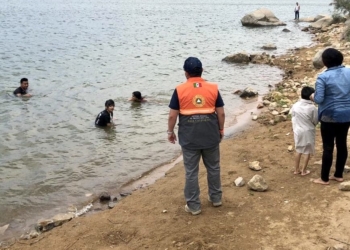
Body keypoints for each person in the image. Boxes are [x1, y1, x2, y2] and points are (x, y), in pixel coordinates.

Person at [167, 57, 225, 215]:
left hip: (189, 137)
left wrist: (170, 132)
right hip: (210, 135)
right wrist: (220, 130)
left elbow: (173, 116)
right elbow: (221, 113)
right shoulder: (213, 88)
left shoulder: (179, 90)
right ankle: (216, 198)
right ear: (202, 71)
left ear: (186, 73)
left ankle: (194, 206)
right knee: (213, 167)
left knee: (191, 172)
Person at [310, 48, 350, 185]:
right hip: (347, 114)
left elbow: (319, 99)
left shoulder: (323, 77)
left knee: (328, 146)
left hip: (329, 115)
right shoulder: (349, 72)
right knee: (342, 143)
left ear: (325, 62)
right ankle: (338, 175)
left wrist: (311, 96)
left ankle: (324, 178)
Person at [290, 86, 318, 176]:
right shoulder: (312, 108)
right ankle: (304, 170)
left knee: (298, 149)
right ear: (311, 96)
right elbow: (315, 121)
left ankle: (296, 169)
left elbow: (293, 116)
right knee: (307, 151)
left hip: (297, 130)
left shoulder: (295, 105)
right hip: (308, 131)